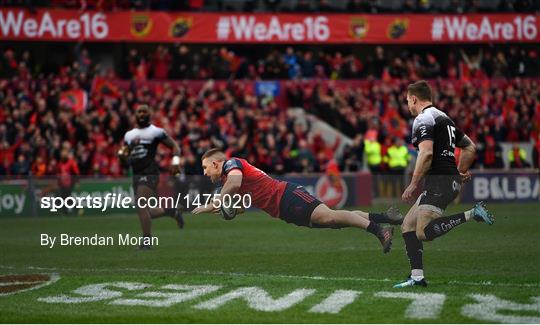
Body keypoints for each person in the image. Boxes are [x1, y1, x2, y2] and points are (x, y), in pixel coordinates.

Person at [192, 148, 402, 253]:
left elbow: (235, 185)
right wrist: (221, 210)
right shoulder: (228, 178)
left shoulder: (231, 165)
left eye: (205, 167)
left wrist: (215, 202)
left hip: (286, 195)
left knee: (330, 217)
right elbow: (238, 208)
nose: (204, 172)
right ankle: (386, 217)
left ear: (216, 163)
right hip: (284, 209)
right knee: (335, 219)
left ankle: (379, 230)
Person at [395, 81, 495, 288]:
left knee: (423, 232)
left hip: (439, 181)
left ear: (414, 98)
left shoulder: (423, 119)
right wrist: (460, 172)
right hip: (445, 179)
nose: (408, 105)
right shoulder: (444, 118)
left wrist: (413, 184)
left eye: (407, 101)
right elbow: (470, 147)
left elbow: (427, 153)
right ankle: (417, 277)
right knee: (408, 225)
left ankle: (472, 213)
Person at [118, 104, 184, 249]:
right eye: (139, 111)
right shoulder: (129, 135)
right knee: (145, 210)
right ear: (135, 115)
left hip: (150, 173)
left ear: (150, 114)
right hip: (136, 174)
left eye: (144, 111)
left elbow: (175, 148)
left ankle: (146, 242)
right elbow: (124, 155)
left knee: (141, 206)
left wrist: (175, 162)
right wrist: (122, 155)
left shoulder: (156, 132)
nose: (141, 114)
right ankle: (172, 211)